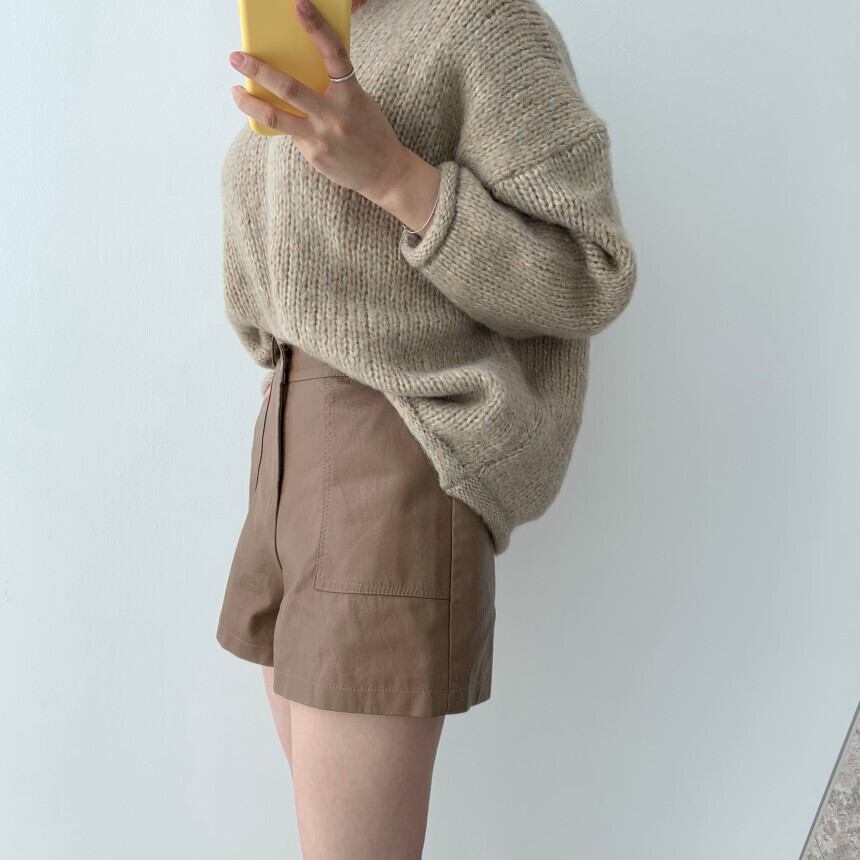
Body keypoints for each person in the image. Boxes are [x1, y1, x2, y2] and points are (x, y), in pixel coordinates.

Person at [216, 0, 637, 856]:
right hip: (286, 449)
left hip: (390, 448)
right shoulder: (314, 35)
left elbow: (590, 275)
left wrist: (393, 176)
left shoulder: (482, 25)